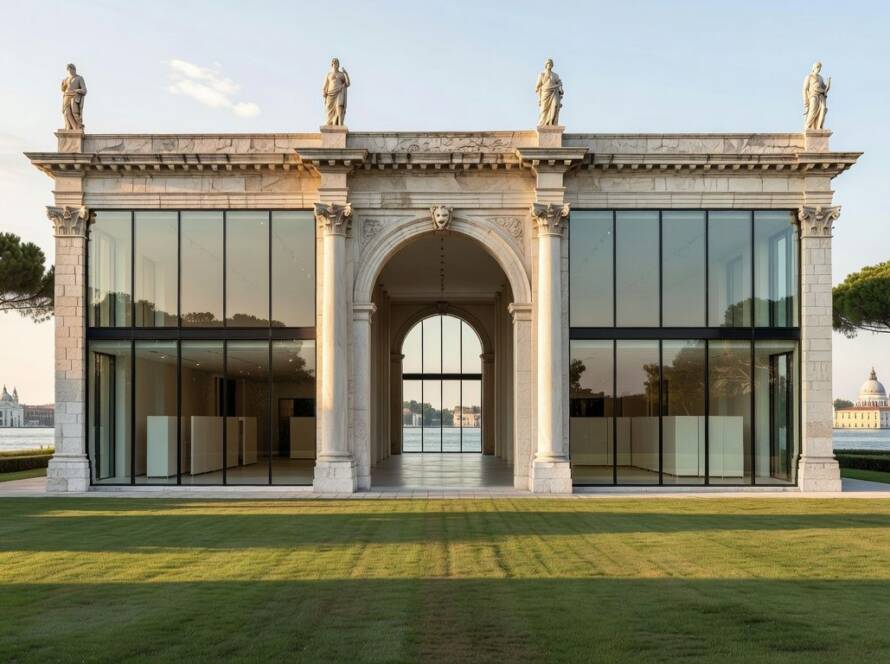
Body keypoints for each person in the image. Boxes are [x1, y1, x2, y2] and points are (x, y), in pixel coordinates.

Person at [802, 61, 830, 130]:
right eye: (817, 67)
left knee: (823, 109)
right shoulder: (809, 77)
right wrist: (806, 103)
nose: (819, 69)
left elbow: (824, 88)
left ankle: (819, 127)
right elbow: (804, 89)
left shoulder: (820, 78)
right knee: (812, 110)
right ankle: (808, 126)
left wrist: (828, 83)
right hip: (813, 96)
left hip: (821, 96)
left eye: (819, 67)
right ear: (813, 68)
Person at [535, 59, 563, 127]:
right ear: (546, 65)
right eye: (548, 63)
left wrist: (561, 89)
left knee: (555, 106)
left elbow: (560, 83)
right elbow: (538, 87)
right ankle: (542, 123)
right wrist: (539, 98)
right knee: (544, 110)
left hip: (554, 92)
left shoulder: (555, 75)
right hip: (545, 93)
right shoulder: (542, 74)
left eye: (551, 64)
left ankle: (552, 123)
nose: (549, 65)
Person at [323, 58, 350, 126]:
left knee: (339, 107)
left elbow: (347, 83)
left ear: (338, 64)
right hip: (330, 93)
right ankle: (330, 123)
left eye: (337, 63)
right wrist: (324, 91)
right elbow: (325, 85)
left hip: (339, 91)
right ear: (332, 64)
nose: (335, 64)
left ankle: (340, 124)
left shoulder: (341, 74)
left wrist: (346, 74)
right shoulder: (329, 74)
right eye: (334, 63)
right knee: (329, 108)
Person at [61, 63, 87, 130]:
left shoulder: (79, 78)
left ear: (74, 69)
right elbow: (63, 89)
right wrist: (62, 85)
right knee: (66, 113)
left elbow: (84, 90)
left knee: (74, 112)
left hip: (74, 97)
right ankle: (69, 127)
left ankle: (78, 126)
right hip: (66, 96)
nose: (70, 71)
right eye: (68, 70)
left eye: (71, 69)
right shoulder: (66, 79)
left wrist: (76, 90)